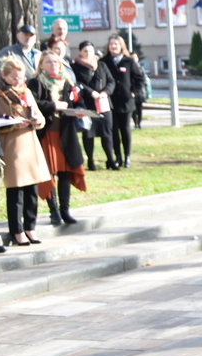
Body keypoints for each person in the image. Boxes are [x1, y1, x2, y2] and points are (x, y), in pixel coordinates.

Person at [0, 58, 52, 246]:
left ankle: (30, 226)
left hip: (30, 143)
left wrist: (38, 121)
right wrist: (12, 124)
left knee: (31, 189)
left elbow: (39, 116)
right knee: (16, 189)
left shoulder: (26, 91)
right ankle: (17, 230)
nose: (18, 82)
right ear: (4, 76)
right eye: (14, 78)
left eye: (20, 78)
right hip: (12, 145)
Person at [28, 51, 85, 226]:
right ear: (41, 65)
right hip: (46, 134)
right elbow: (33, 104)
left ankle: (65, 210)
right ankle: (54, 212)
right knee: (48, 174)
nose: (53, 64)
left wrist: (80, 111)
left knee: (65, 173)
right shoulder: (35, 83)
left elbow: (78, 102)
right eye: (48, 62)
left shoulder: (67, 82)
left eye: (56, 62)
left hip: (65, 134)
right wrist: (54, 105)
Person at [73, 41, 118, 171]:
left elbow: (111, 81)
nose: (88, 54)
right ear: (80, 52)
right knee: (88, 133)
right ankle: (91, 161)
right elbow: (77, 83)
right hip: (87, 104)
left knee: (107, 133)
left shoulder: (101, 65)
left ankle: (111, 160)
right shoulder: (75, 67)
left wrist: (105, 92)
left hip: (103, 104)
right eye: (85, 51)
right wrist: (90, 92)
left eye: (91, 51)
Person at [102, 36, 145, 169]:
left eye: (116, 44)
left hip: (126, 101)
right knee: (113, 130)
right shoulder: (103, 62)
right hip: (110, 100)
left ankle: (127, 156)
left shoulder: (129, 61)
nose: (113, 46)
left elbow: (140, 79)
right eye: (111, 44)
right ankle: (117, 156)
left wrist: (134, 92)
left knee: (125, 129)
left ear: (121, 46)